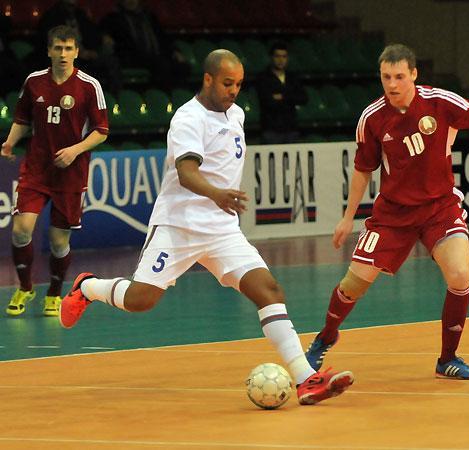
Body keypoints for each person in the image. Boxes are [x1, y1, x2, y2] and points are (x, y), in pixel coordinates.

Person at [59, 49, 354, 405]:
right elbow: (186, 173)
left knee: (269, 291)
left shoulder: (237, 114)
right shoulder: (188, 118)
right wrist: (217, 194)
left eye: (239, 84)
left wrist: (220, 202)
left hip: (221, 228)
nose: (234, 90)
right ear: (208, 79)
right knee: (140, 300)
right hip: (179, 225)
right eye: (228, 83)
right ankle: (88, 287)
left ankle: (306, 379)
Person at [305, 44, 469, 380]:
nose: (392, 84)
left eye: (399, 76)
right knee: (352, 285)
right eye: (386, 77)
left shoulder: (439, 102)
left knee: (460, 274)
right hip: (393, 214)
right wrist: (348, 217)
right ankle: (325, 337)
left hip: (439, 207)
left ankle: (447, 359)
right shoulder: (372, 118)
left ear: (414, 75)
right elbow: (363, 169)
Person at [1, 25, 109, 317]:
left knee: (59, 242)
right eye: (58, 48)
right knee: (21, 230)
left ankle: (53, 293)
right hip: (36, 169)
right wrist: (10, 142)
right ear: (49, 51)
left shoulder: (89, 86)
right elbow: (22, 119)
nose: (63, 54)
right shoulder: (34, 81)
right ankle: (25, 288)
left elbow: (101, 131)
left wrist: (75, 150)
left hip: (71, 174)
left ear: (76, 51)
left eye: (68, 48)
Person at [36, 0, 122, 93]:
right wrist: (79, 53)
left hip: (85, 53)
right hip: (65, 56)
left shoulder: (80, 14)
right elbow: (53, 42)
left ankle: (112, 96)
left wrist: (102, 38)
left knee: (111, 61)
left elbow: (92, 32)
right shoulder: (51, 17)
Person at [100, 0, 190, 90]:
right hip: (130, 56)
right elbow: (102, 31)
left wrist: (175, 51)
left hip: (153, 55)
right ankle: (159, 94)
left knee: (182, 66)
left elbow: (163, 38)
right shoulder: (113, 19)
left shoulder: (149, 17)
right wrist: (105, 36)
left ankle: (178, 94)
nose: (131, 1)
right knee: (161, 65)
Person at [255, 41, 307, 144]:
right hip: (271, 129)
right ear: (271, 57)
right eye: (277, 56)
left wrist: (282, 96)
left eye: (284, 56)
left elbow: (303, 98)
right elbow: (267, 101)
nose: (281, 60)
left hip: (291, 128)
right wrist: (290, 97)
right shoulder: (263, 78)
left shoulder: (293, 77)